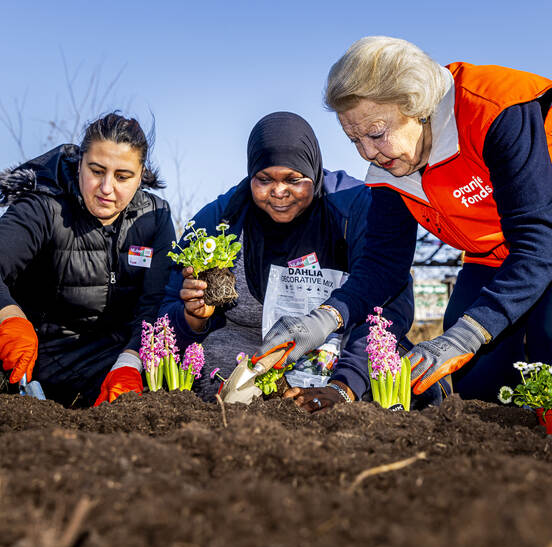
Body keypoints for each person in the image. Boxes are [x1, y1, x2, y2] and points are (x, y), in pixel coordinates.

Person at [255, 36, 552, 403]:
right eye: (354, 139)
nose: (367, 154)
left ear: (418, 107)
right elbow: (383, 266)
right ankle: (500, 447)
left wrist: (469, 335)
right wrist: (322, 319)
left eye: (375, 133)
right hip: (498, 234)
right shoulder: (391, 167)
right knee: (475, 363)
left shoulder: (495, 113)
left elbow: (537, 246)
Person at [159, 111, 417, 412]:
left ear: (313, 171)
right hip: (246, 367)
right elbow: (166, 312)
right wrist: (193, 317)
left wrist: (344, 387)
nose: (279, 192)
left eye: (294, 180)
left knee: (400, 379)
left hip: (341, 359)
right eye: (264, 179)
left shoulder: (357, 207)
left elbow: (391, 302)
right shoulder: (221, 220)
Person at [0, 113, 175, 407]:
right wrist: (10, 318)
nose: (107, 188)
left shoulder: (155, 217)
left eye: (122, 177)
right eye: (96, 171)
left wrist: (130, 362)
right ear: (80, 162)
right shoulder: (45, 207)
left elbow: (155, 302)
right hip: (37, 370)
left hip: (112, 368)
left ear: (141, 174)